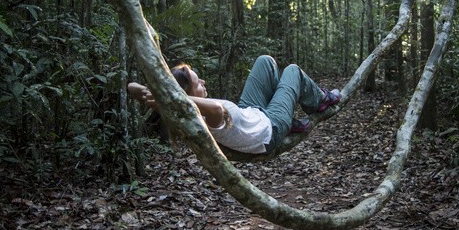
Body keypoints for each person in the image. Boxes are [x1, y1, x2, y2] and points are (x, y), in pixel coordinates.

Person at [128, 55, 341, 155]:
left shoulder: (179, 107)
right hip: (270, 129)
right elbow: (217, 109)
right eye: (197, 83)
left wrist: (158, 92)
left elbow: (131, 87)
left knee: (265, 61)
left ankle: (287, 116)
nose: (203, 82)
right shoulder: (204, 116)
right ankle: (320, 101)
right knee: (293, 71)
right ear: (186, 96)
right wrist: (173, 97)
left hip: (254, 112)